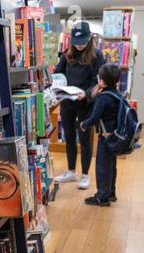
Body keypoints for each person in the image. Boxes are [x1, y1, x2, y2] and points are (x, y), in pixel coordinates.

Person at [53, 21, 105, 189]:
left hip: (86, 104)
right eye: (77, 42)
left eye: (83, 41)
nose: (80, 45)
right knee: (68, 137)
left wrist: (87, 94)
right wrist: (58, 88)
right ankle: (71, 171)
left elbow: (98, 82)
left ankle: (84, 175)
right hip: (67, 102)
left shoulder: (97, 56)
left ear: (89, 37)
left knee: (85, 139)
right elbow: (58, 74)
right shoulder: (66, 55)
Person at [80, 64, 122, 207]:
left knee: (102, 167)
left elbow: (94, 118)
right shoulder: (117, 94)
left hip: (105, 137)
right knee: (111, 165)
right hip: (116, 136)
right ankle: (111, 193)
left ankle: (102, 197)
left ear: (102, 81)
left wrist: (83, 124)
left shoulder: (103, 97)